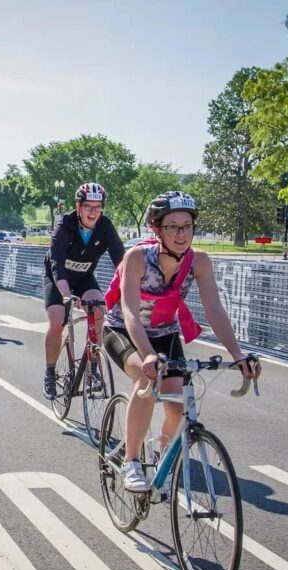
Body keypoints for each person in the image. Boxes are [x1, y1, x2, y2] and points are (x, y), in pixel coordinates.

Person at [102, 191, 260, 492]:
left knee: (176, 409)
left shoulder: (199, 261)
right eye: (172, 226)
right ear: (156, 229)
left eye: (187, 226)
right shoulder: (137, 257)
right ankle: (132, 462)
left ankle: (160, 456)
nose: (181, 233)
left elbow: (214, 309)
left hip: (165, 332)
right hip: (124, 330)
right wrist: (147, 355)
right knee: (145, 380)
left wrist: (238, 356)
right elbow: (130, 313)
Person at [42, 182, 125, 400]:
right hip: (58, 279)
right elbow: (57, 265)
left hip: (84, 278)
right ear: (78, 207)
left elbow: (122, 262)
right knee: (56, 318)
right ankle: (50, 372)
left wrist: (130, 292)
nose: (93, 212)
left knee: (98, 309)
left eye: (98, 207)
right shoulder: (65, 225)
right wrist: (67, 295)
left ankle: (93, 365)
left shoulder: (105, 226)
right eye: (88, 206)